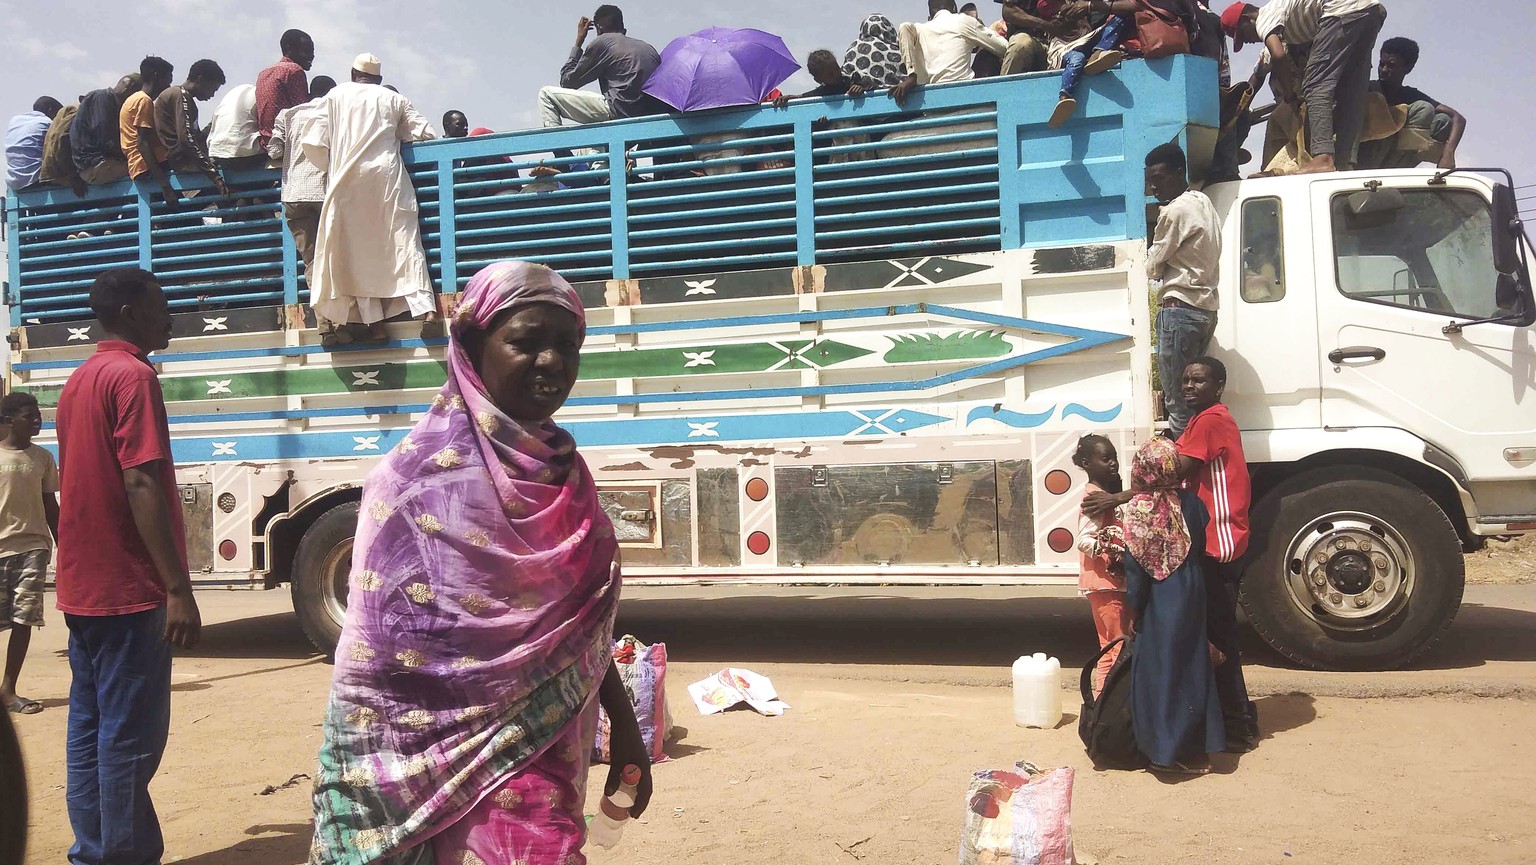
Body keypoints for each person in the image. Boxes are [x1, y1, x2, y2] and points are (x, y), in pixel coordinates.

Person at [308, 261, 653, 865]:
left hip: (542, 749)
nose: (552, 362)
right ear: (471, 345)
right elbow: (372, 671)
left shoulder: (566, 478)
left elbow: (581, 633)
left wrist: (623, 726)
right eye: (525, 342)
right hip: (418, 760)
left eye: (566, 344)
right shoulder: (409, 484)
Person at [56, 268, 201, 865]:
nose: (170, 317)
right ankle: (120, 855)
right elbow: (139, 480)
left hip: (83, 584)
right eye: (162, 305)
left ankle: (94, 849)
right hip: (128, 585)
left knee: (90, 729)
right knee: (129, 735)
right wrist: (177, 588)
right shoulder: (133, 376)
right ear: (131, 312)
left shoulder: (79, 378)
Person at [304, 53, 439, 343]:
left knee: (357, 254)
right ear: (378, 79)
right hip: (388, 180)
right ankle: (426, 310)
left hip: (346, 183)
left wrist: (333, 165)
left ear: (353, 74)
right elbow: (426, 133)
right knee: (405, 242)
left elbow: (313, 142)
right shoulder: (394, 99)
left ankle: (375, 324)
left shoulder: (335, 96)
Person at [1121, 436, 1225, 775]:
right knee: (1192, 665)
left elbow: (1136, 570)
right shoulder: (1191, 503)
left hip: (1160, 597)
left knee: (1161, 670)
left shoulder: (1137, 511)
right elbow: (1201, 535)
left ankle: (1164, 751)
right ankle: (1198, 747)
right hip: (1191, 589)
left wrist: (1135, 609)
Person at [1175, 356, 1258, 752]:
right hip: (1212, 543)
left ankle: (1238, 726)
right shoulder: (1199, 420)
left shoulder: (1210, 420)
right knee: (1213, 635)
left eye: (1199, 381)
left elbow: (1173, 470)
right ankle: (1232, 719)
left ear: (1218, 386)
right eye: (1186, 380)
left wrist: (1121, 495)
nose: (1189, 386)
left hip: (1218, 546)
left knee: (1219, 640)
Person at [1223, 0, 1388, 173]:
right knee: (1352, 92)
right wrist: (1240, 107)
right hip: (1371, 11)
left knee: (1316, 85)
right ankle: (1346, 160)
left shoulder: (1265, 18)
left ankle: (1323, 157)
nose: (1248, 41)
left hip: (1341, 12)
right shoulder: (1286, 23)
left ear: (1247, 19)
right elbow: (1260, 72)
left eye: (1242, 35)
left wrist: (1289, 95)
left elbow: (1278, 56)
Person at [1145, 143, 1220, 440]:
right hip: (1205, 311)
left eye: (1159, 178)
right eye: (1150, 180)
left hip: (1179, 311)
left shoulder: (1174, 212)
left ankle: (1185, 475)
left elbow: (1152, 266)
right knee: (1198, 402)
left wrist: (1159, 265)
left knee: (1177, 403)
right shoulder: (1203, 201)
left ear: (1179, 172)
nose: (1153, 187)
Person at [269, 76, 344, 348]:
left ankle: (325, 325)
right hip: (324, 192)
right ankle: (342, 322)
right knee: (334, 259)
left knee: (311, 262)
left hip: (294, 195)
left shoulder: (287, 115)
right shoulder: (333, 112)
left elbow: (275, 150)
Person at [0, 393, 59, 716]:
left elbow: (51, 506)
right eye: (28, 416)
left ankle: (9, 690)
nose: (37, 420)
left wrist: (64, 544)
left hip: (33, 548)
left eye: (38, 415)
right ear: (8, 421)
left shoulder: (43, 459)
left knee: (24, 619)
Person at [538, 5, 661, 128]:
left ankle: (558, 147)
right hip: (646, 120)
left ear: (599, 29)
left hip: (619, 112)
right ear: (623, 28)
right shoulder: (649, 49)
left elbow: (568, 82)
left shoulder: (603, 41)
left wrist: (579, 41)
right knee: (587, 148)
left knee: (546, 95)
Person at [1073, 434, 1129, 697]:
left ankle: (1100, 706)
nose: (1113, 464)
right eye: (1105, 459)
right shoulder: (1095, 498)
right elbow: (1083, 539)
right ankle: (1117, 707)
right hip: (1108, 584)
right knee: (1119, 648)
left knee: (1107, 648)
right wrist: (1113, 553)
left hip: (1103, 584)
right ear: (1086, 463)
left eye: (1114, 458)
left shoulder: (1105, 494)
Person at [1358, 36, 1464, 170]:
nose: (1384, 70)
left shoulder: (1409, 95)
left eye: (1391, 65)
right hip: (1363, 157)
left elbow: (1458, 119)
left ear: (1408, 68)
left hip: (1394, 160)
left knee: (1443, 121)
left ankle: (1398, 169)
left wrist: (1448, 154)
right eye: (1381, 64)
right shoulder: (1367, 89)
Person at [890, 0, 1010, 103]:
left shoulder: (919, 30)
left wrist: (912, 75)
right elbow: (1004, 47)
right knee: (988, 52)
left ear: (930, 14)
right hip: (964, 96)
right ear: (954, 8)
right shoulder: (964, 20)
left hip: (931, 102)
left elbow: (904, 27)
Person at [1047, 0, 1137, 128]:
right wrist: (1065, 10)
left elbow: (1133, 6)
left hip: (1086, 41)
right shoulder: (1057, 14)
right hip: (1064, 47)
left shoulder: (1087, 13)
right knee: (1077, 59)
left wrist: (1089, 6)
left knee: (1121, 17)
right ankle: (1064, 97)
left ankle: (1097, 55)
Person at [153, 59, 232, 197]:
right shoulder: (180, 95)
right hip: (182, 161)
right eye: (212, 89)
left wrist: (213, 126)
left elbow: (193, 136)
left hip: (183, 160)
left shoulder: (182, 97)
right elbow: (186, 139)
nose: (211, 95)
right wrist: (213, 175)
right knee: (232, 175)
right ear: (200, 79)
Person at [121, 56, 179, 206]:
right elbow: (142, 143)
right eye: (168, 79)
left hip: (141, 166)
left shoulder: (133, 99)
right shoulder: (143, 101)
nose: (169, 85)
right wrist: (165, 185)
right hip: (146, 167)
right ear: (156, 76)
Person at [72, 74, 140, 185]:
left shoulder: (110, 101)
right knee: (145, 169)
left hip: (94, 164)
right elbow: (106, 140)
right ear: (131, 88)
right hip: (96, 165)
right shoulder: (103, 98)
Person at [255, 28, 314, 147]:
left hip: (265, 142)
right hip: (284, 141)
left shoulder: (264, 73)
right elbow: (302, 112)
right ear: (289, 49)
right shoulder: (294, 70)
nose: (311, 56)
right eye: (306, 51)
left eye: (312, 51)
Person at [6, 97, 63, 190]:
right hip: (35, 180)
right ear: (50, 110)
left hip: (13, 180)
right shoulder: (47, 122)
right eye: (58, 114)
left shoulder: (15, 121)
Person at [773, 50, 866, 107]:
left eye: (837, 69)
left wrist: (859, 88)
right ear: (818, 80)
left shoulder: (850, 81)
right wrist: (791, 97)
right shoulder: (823, 92)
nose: (837, 74)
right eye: (830, 74)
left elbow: (867, 86)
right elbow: (807, 96)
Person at [207, 82, 266, 173]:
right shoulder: (262, 95)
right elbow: (268, 129)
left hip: (218, 155)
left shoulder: (233, 93)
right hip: (245, 157)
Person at [842, 13, 909, 91]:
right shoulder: (898, 51)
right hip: (898, 94)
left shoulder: (854, 48)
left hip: (860, 94)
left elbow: (845, 75)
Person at [39, 97, 86, 196]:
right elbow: (61, 139)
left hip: (50, 174)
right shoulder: (75, 111)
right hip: (61, 175)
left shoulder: (59, 117)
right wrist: (74, 178)